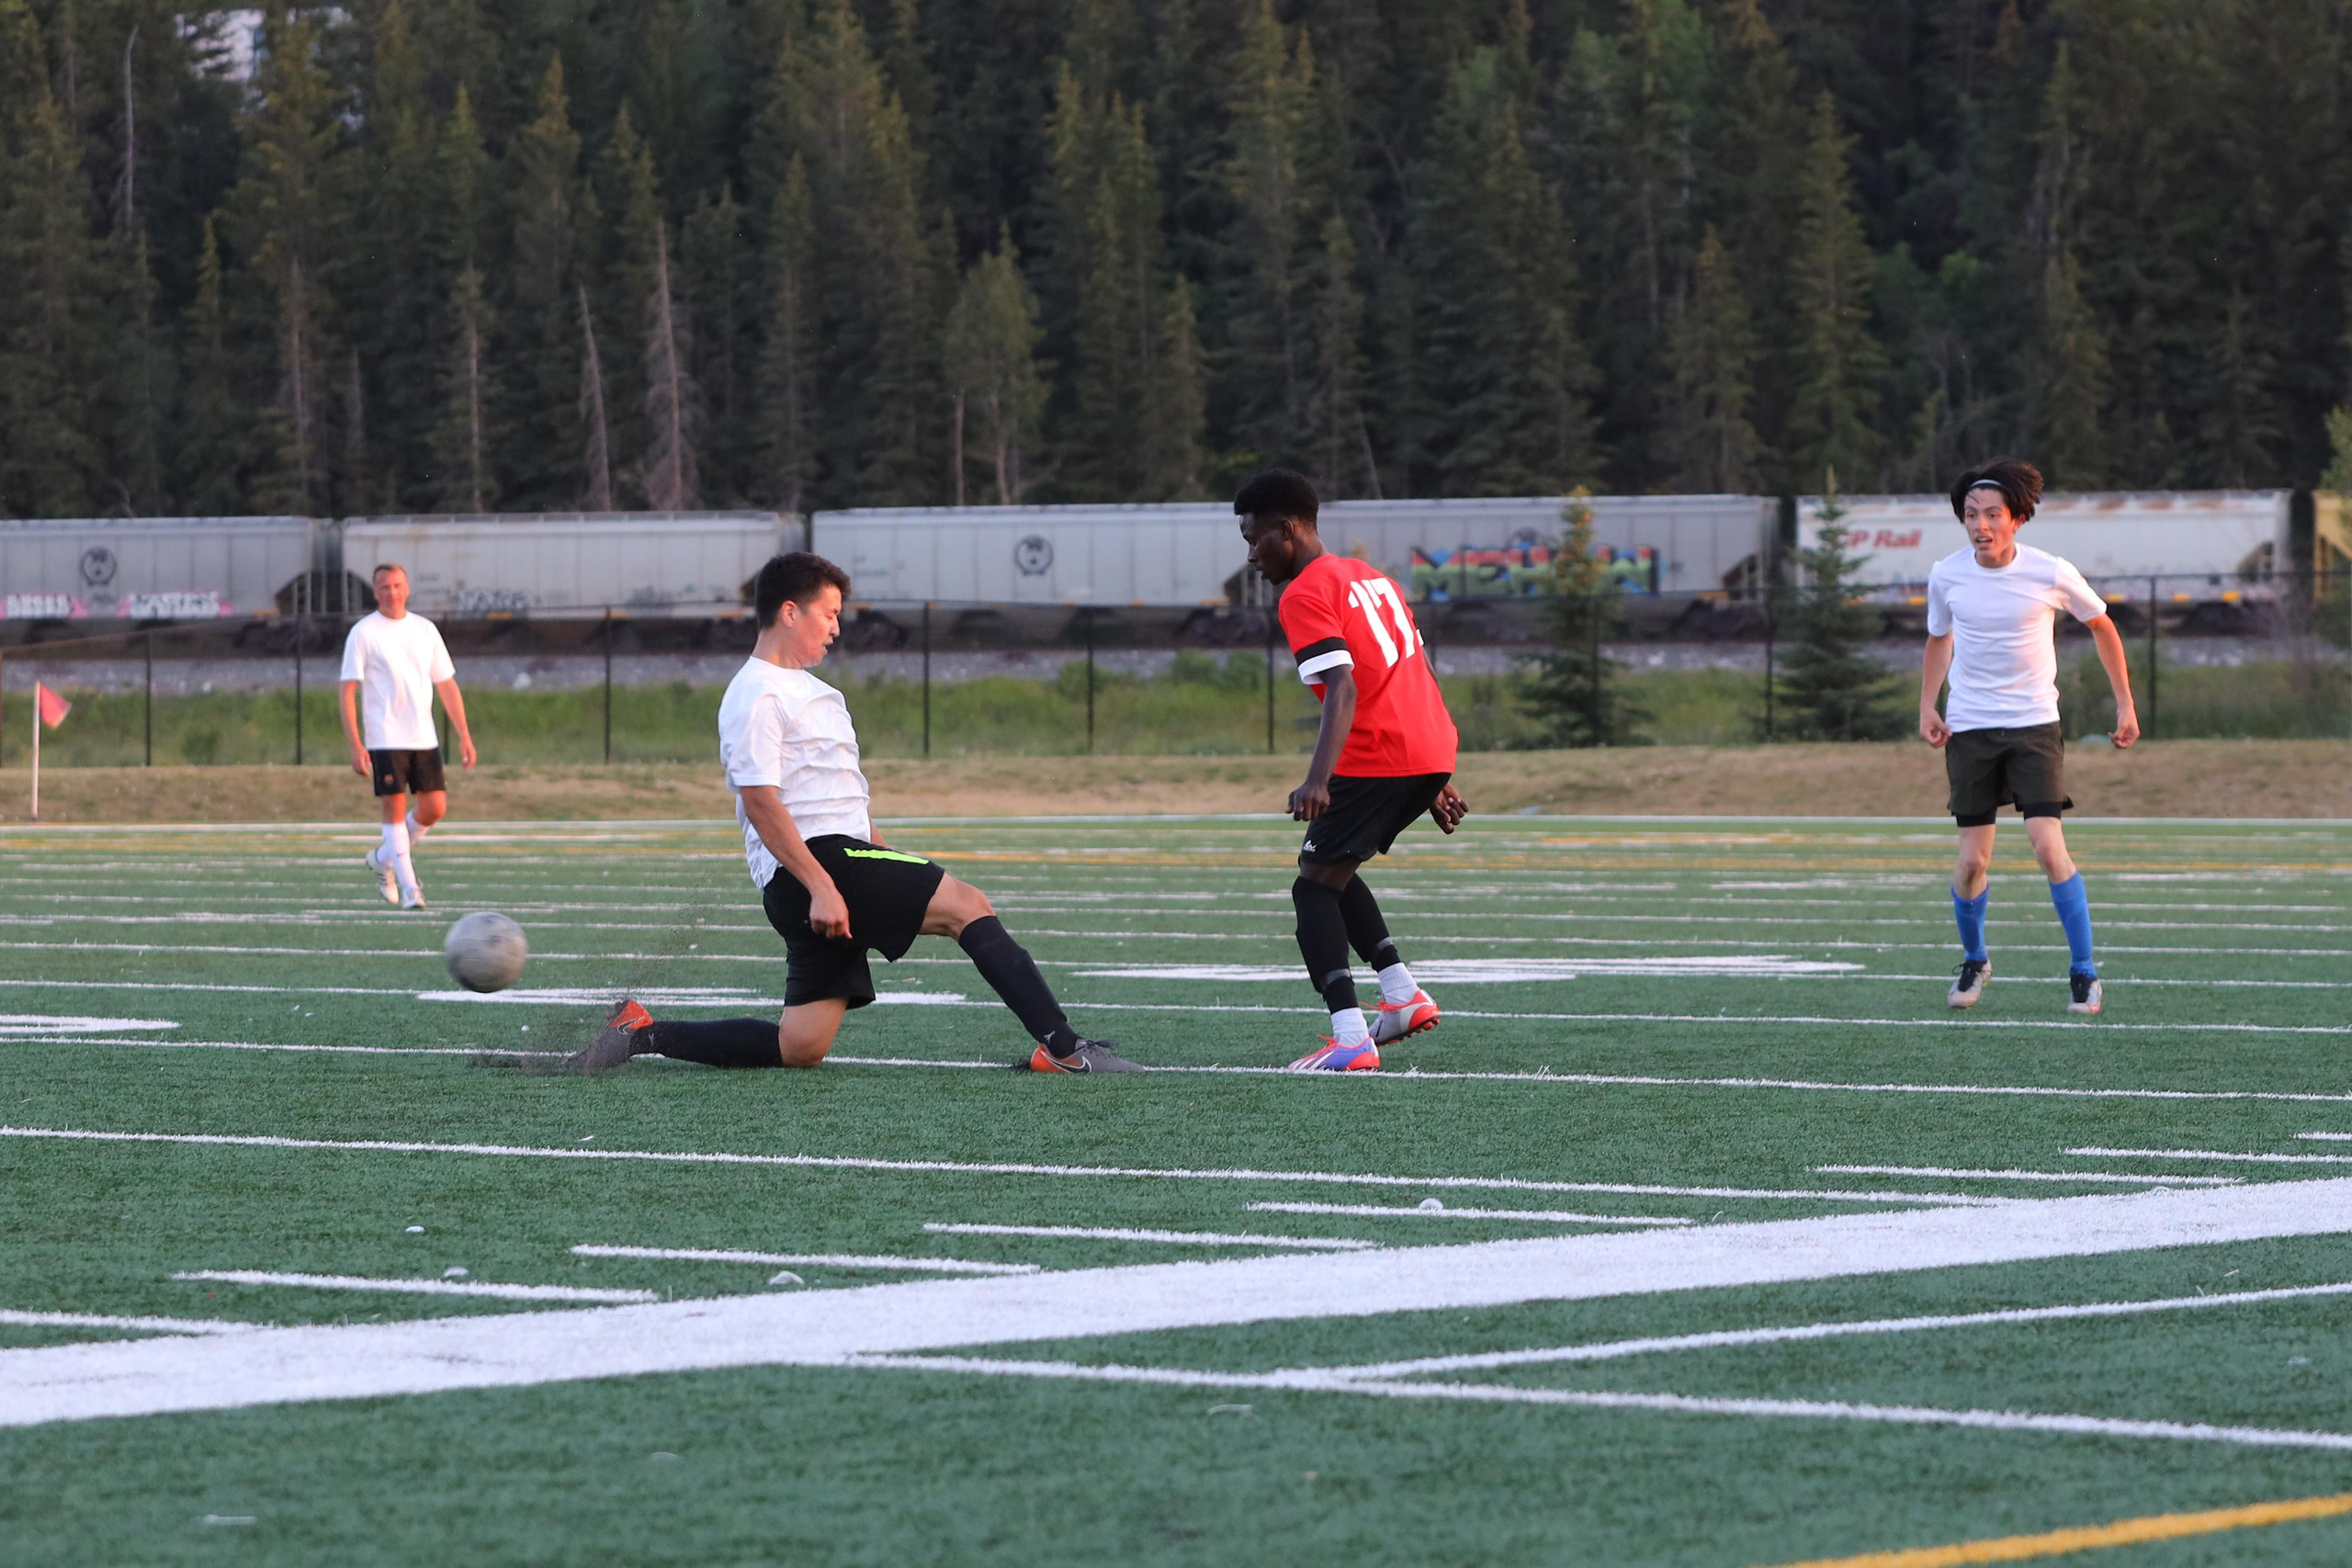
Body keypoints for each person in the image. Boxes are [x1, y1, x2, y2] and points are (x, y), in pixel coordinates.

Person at [564, 551, 1142, 1074]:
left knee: (801, 1048)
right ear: (790, 613)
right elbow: (760, 801)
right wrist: (821, 886)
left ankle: (639, 1032)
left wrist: (880, 855)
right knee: (969, 907)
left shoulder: (810, 691)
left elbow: (843, 802)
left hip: (832, 864)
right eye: (829, 612)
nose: (838, 626)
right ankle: (1063, 1049)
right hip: (814, 865)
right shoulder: (756, 691)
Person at [1235, 468, 1468, 1072]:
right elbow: (1415, 669)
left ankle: (1350, 1038)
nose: (1251, 555)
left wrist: (1318, 778)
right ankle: (1401, 997)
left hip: (1380, 752)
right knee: (1333, 869)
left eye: (1255, 539)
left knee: (1312, 887)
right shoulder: (1373, 578)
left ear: (1288, 530)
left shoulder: (1305, 592)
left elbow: (1342, 686)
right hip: (1428, 744)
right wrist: (1436, 774)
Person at [1920, 458, 2138, 1016]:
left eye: (1992, 514)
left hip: (2034, 726)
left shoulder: (2049, 571)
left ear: (2017, 518)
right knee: (1972, 864)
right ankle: (1975, 959)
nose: (1980, 525)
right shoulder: (1946, 574)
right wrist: (1928, 704)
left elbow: (2102, 625)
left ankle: (2084, 973)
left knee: (2047, 846)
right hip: (1969, 728)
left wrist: (2125, 703)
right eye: (1971, 515)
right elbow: (1939, 638)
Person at [338, 562, 475, 909]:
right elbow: (347, 691)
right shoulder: (364, 632)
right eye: (384, 586)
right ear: (375, 592)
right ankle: (411, 889)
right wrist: (356, 743)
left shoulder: (425, 630)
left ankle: (383, 858)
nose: (392, 592)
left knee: (434, 808)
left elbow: (445, 683)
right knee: (395, 809)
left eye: (397, 585)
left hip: (423, 736)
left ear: (408, 588)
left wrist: (464, 734)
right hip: (385, 736)